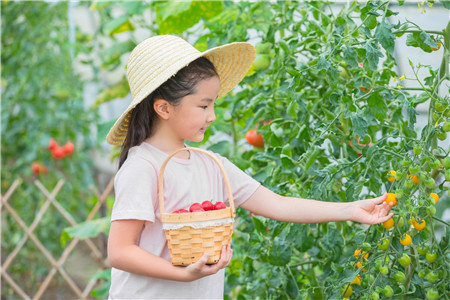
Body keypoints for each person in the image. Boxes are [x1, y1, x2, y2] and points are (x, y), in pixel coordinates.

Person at [106, 35, 394, 299]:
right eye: (204, 106)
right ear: (164, 108)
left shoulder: (213, 166)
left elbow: (278, 205)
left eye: (214, 104)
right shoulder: (143, 166)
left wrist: (349, 209)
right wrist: (182, 274)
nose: (213, 116)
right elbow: (120, 252)